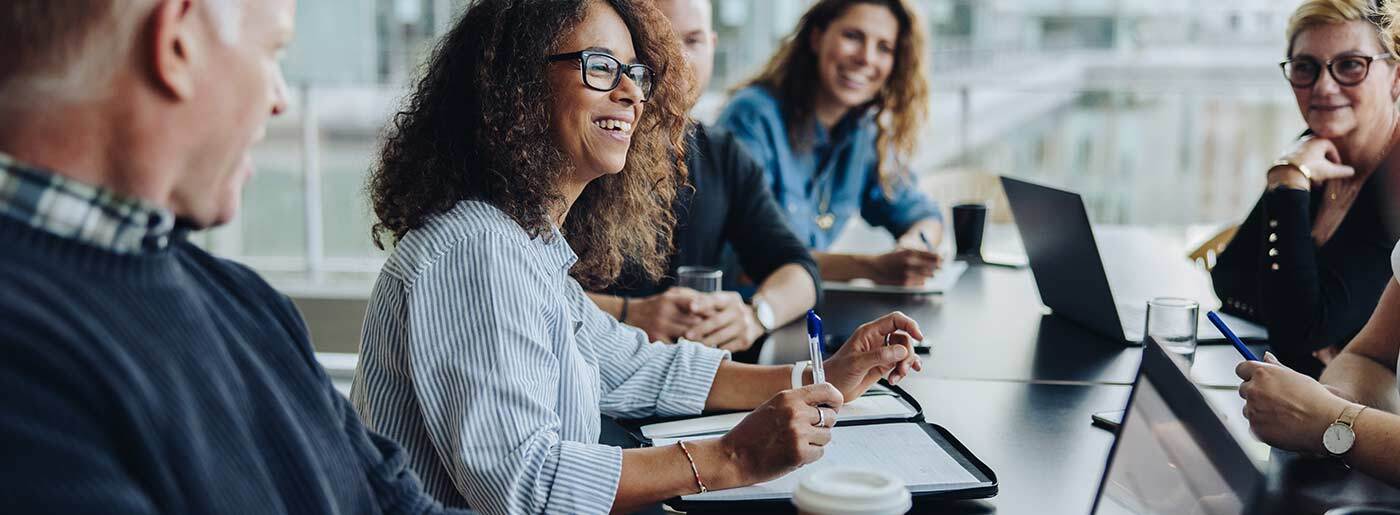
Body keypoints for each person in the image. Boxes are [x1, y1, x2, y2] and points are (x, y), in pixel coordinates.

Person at [352, 0, 924, 513]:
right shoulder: (476, 253)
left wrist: (823, 374)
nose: (631, 92)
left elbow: (638, 368)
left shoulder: (525, 244)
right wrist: (733, 457)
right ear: (517, 84)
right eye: (600, 66)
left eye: (635, 73)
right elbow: (523, 487)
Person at [0, 1, 472, 513]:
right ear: (177, 43)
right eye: (273, 51)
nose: (280, 99)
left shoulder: (249, 305)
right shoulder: (21, 369)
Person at [586, 0, 819, 353]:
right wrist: (629, 313)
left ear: (712, 46)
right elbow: (523, 284)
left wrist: (757, 315)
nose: (677, 60)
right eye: (657, 41)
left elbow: (799, 269)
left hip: (693, 382)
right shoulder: (586, 146)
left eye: (692, 41)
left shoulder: (722, 154)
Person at [1212, 0, 1400, 378]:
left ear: (1396, 77)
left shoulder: (1394, 181)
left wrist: (1288, 182)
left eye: (1350, 65)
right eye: (1305, 67)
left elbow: (1298, 332)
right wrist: (1292, 174)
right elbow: (1229, 279)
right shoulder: (1311, 152)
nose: (1324, 86)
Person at [716, 0, 944, 287]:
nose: (866, 58)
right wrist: (871, 268)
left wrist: (915, 245)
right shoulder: (753, 117)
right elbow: (749, 262)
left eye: (884, 48)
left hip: (806, 313)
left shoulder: (864, 132)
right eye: (853, 37)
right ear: (816, 38)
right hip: (742, 315)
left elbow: (924, 214)